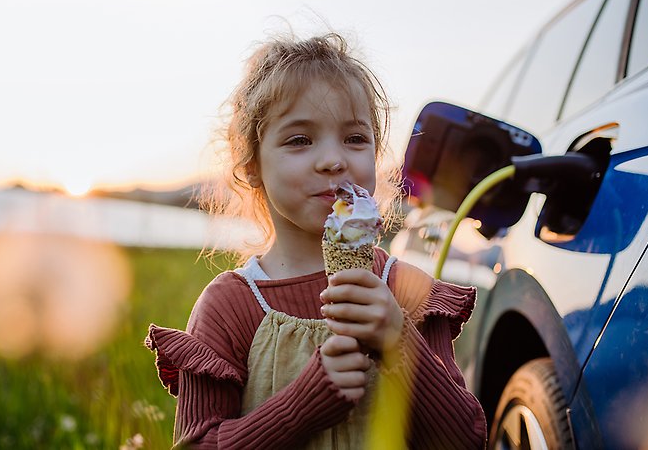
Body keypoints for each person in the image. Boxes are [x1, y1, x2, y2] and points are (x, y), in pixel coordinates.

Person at [146, 32, 487, 448]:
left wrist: (400, 342)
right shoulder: (231, 307)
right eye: (300, 140)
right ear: (252, 165)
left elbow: (465, 440)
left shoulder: (406, 290)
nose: (333, 159)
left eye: (355, 138)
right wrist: (300, 407)